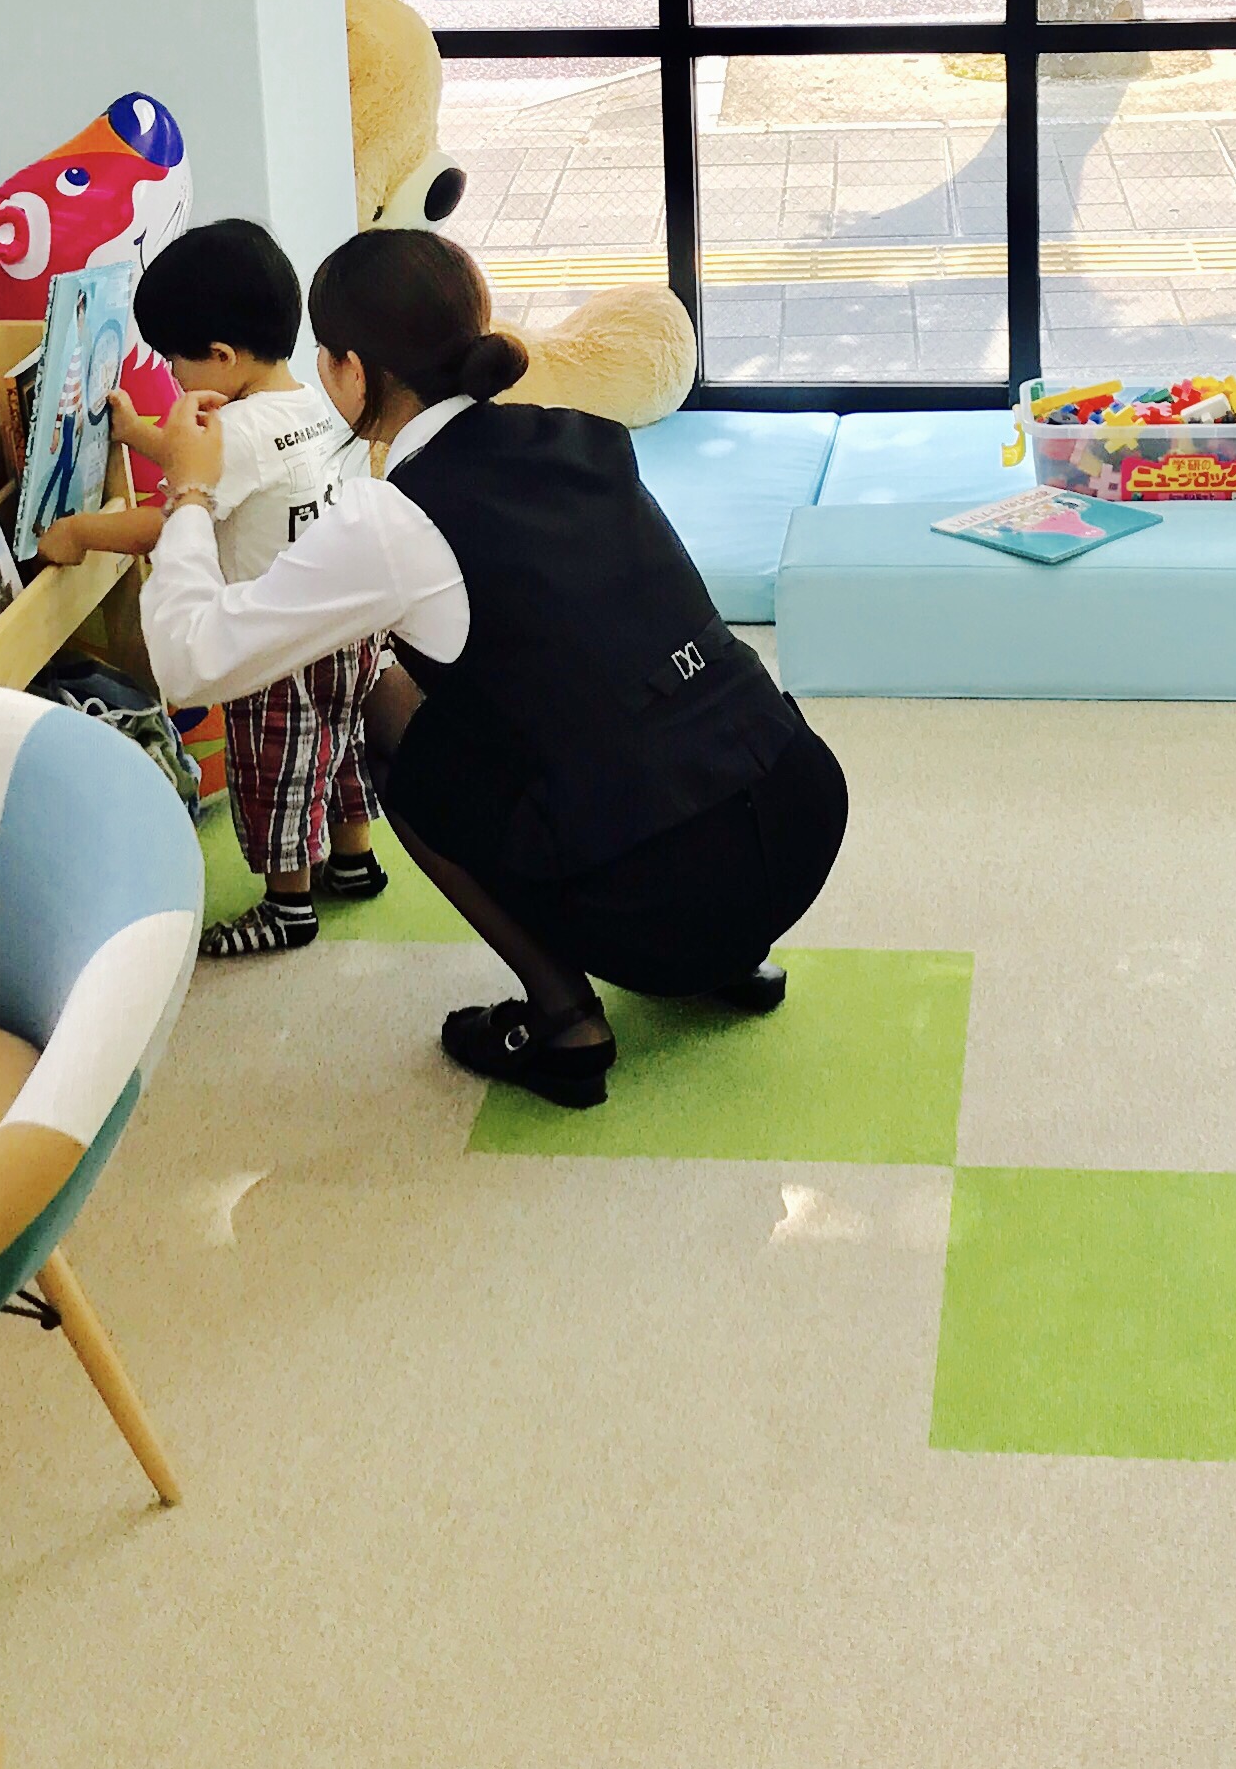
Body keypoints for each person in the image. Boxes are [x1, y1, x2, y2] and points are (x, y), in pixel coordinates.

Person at [130, 227, 848, 1109]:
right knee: (612, 688)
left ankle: (565, 1023)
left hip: (661, 908)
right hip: (798, 815)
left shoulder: (392, 519)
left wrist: (191, 491)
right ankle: (732, 954)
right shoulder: (584, 436)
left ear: (348, 371)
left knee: (383, 708)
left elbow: (190, 663)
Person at [37, 220, 385, 960]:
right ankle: (355, 861)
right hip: (347, 629)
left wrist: (79, 532)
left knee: (277, 771)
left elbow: (170, 520)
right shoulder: (310, 406)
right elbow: (219, 461)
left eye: (174, 360)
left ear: (222, 357)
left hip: (273, 646)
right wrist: (138, 434)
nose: (169, 372)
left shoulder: (235, 436)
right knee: (340, 747)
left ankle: (288, 906)